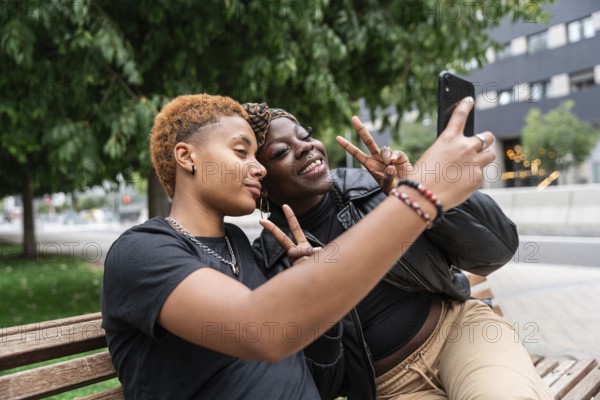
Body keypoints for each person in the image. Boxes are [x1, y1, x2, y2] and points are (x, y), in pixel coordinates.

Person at [100, 93, 495, 399]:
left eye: (258, 156)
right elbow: (260, 329)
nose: (258, 168)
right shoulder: (142, 252)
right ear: (187, 156)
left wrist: (318, 312)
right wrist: (419, 196)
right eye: (242, 152)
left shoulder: (245, 247)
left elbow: (307, 369)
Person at [244, 101, 554, 400]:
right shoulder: (267, 263)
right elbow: (320, 387)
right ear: (262, 180)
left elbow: (496, 250)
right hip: (392, 386)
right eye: (281, 151)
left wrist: (423, 191)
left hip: (461, 334)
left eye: (306, 136)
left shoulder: (380, 184)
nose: (305, 147)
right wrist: (313, 303)